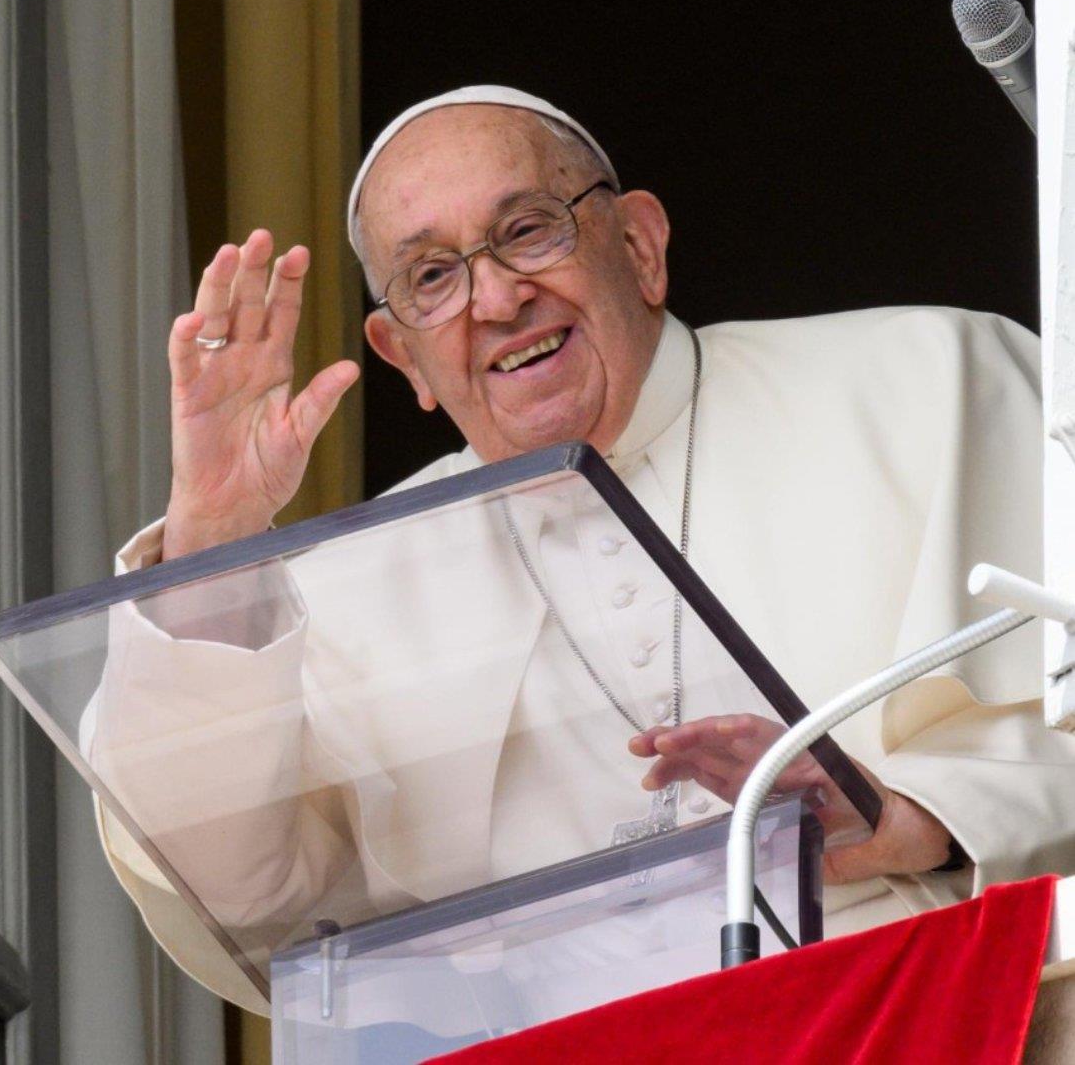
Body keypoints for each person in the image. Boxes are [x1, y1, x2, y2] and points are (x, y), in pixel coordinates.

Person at [86, 87, 1075, 1015]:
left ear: (640, 245)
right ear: (404, 359)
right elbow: (239, 898)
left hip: (953, 1007)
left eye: (526, 230)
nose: (496, 298)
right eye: (432, 276)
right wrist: (212, 532)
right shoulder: (346, 585)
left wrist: (904, 818)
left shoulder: (933, 378)